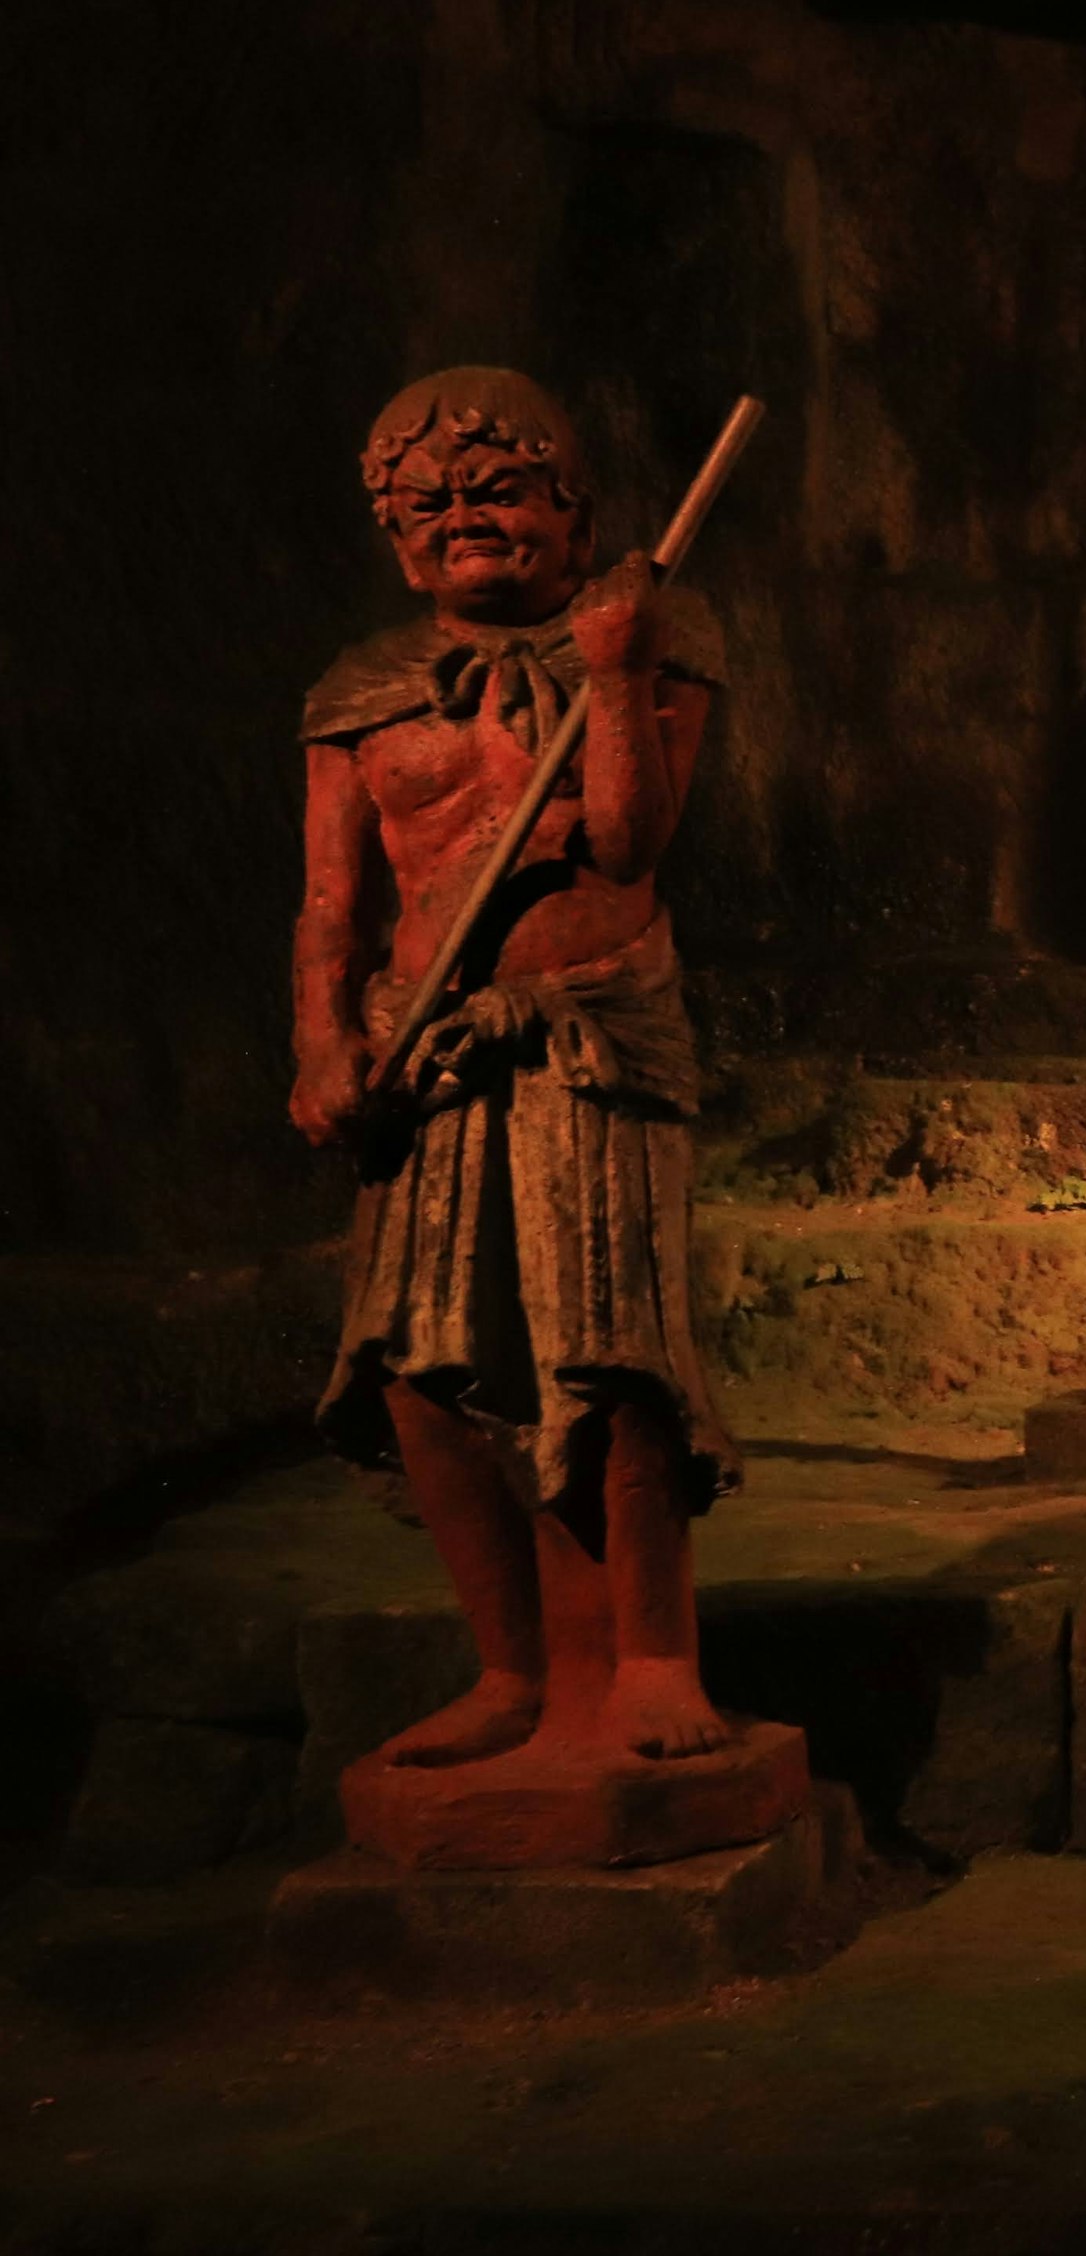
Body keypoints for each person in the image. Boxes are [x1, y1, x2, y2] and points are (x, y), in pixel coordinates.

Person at [294, 366, 741, 1767]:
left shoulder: (655, 644)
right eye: (427, 503)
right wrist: (321, 1039)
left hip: (591, 1032)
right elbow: (330, 906)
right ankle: (513, 1667)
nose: (464, 520)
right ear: (393, 532)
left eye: (497, 489)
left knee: (608, 1353)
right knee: (420, 1369)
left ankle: (656, 1658)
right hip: (422, 1048)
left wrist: (610, 675)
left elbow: (623, 845)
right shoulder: (364, 694)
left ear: (571, 506)